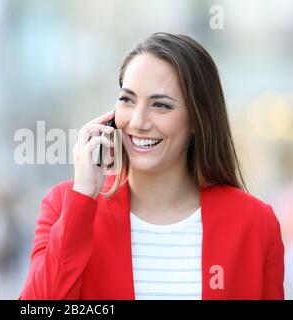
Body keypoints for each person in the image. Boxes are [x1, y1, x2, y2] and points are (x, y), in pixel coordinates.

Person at [19, 33, 284, 300]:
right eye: (127, 99)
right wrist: (84, 196)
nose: (138, 121)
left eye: (160, 105)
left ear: (197, 120)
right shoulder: (66, 206)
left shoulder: (255, 224)